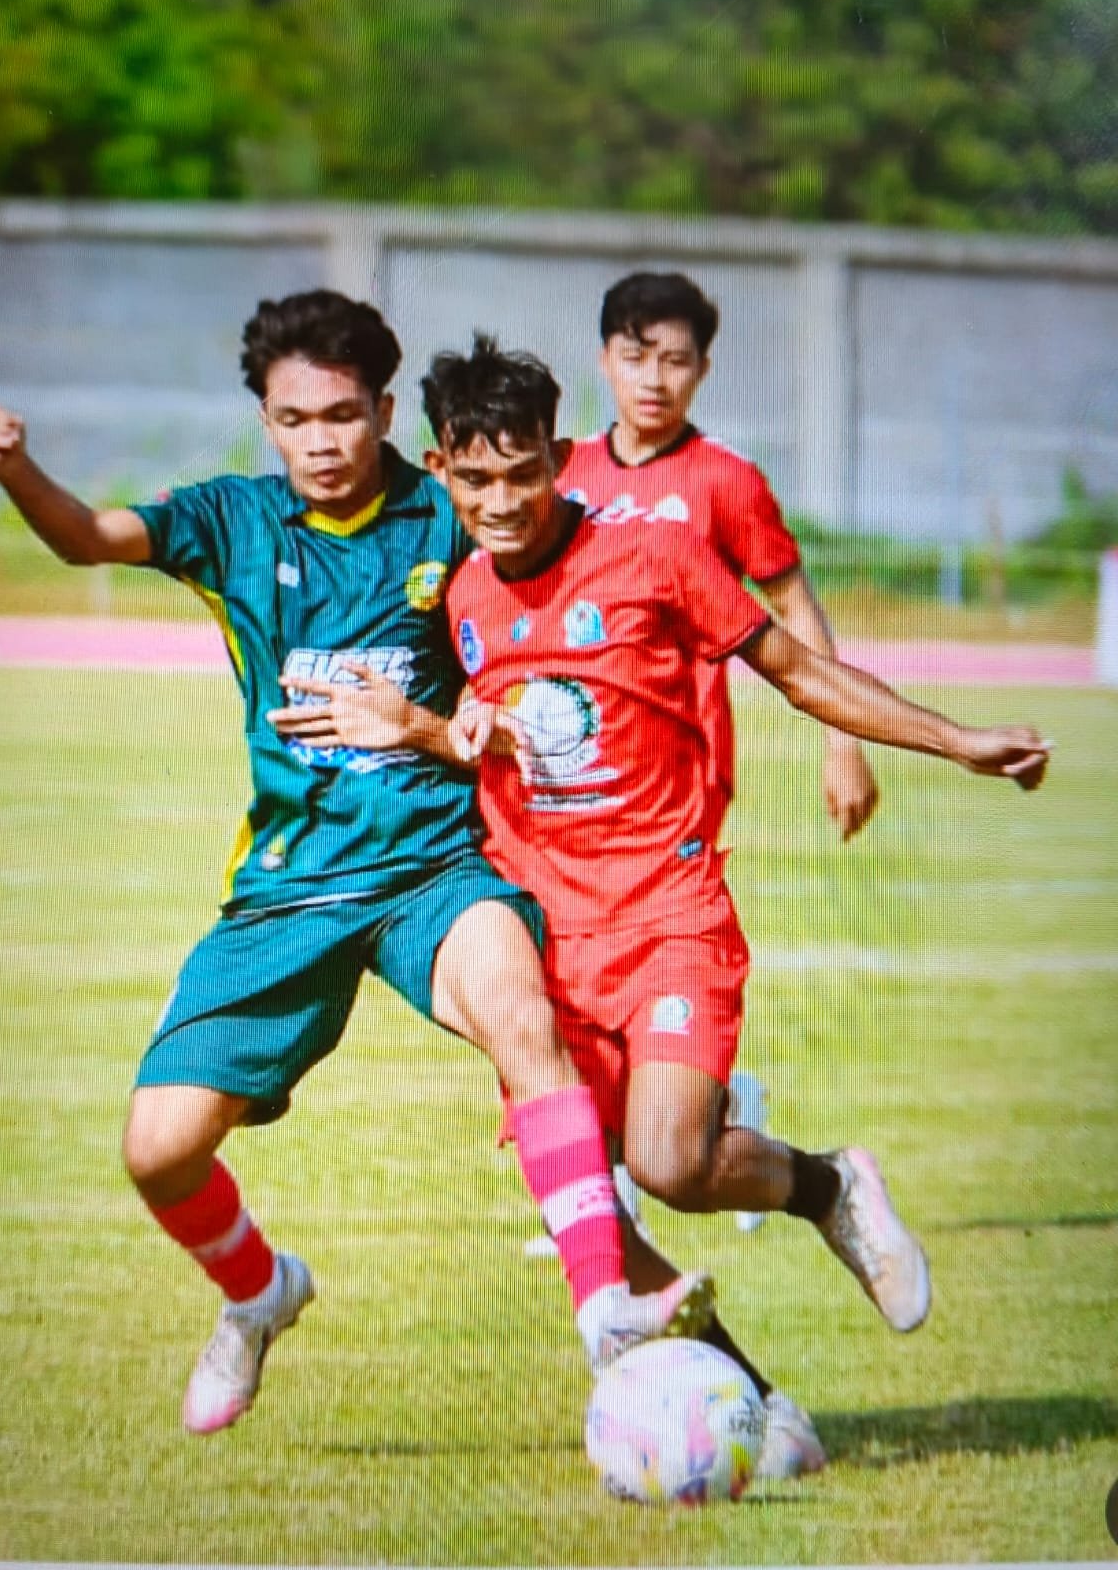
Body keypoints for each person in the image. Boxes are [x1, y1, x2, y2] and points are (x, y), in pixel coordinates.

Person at [0, 290, 713, 1439]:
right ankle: (258, 1292)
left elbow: (556, 580)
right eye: (295, 418)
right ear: (265, 421)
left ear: (388, 412)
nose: (320, 441)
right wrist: (19, 470)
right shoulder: (232, 521)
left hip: (434, 869)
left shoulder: (448, 510)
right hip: (290, 886)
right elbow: (87, 537)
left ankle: (603, 1307)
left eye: (344, 415)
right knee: (157, 1150)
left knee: (524, 1018)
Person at [418, 336, 1048, 1467]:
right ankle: (757, 1406)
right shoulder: (453, 591)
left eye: (523, 474)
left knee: (670, 1162)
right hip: (542, 943)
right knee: (585, 1207)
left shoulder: (655, 556)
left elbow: (797, 671)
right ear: (440, 470)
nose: (502, 503)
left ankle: (828, 1185)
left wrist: (957, 742)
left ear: (561, 456)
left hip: (668, 911)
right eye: (476, 480)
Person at [563, 269, 879, 843]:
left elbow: (796, 610)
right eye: (635, 358)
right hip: (573, 758)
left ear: (703, 369)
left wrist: (843, 741)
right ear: (604, 360)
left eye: (675, 361)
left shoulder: (727, 479)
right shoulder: (562, 474)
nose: (654, 380)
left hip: (685, 762)